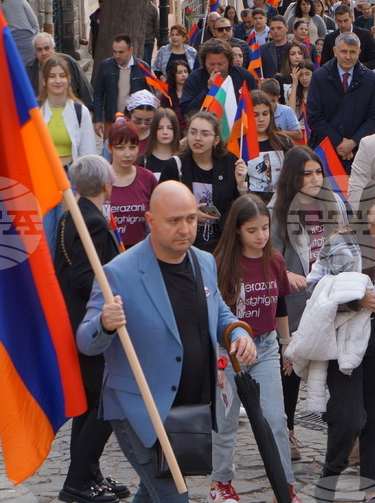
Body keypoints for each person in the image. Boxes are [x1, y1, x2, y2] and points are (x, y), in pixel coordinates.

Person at [76, 181, 257, 503]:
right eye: (174, 221)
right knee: (174, 496)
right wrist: (104, 324)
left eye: (191, 219)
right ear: (150, 220)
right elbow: (86, 342)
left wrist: (237, 332)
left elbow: (218, 310)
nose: (185, 229)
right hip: (140, 409)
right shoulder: (118, 272)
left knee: (151, 492)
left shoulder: (204, 261)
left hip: (189, 406)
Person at [305, 179, 375, 502]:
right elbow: (315, 287)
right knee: (349, 417)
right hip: (346, 338)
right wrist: (358, 299)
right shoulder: (341, 241)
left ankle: (373, 489)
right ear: (365, 206)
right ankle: (330, 475)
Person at [210, 195, 303, 503]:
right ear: (237, 230)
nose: (261, 235)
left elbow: (279, 305)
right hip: (228, 351)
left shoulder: (274, 260)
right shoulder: (221, 264)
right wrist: (216, 358)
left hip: (265, 347)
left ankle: (284, 487)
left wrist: (286, 344)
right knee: (225, 422)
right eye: (252, 230)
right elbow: (212, 314)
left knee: (276, 419)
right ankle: (221, 483)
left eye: (265, 228)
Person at [53, 155, 129, 503]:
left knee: (90, 403)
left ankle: (89, 474)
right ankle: (76, 482)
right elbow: (86, 278)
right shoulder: (92, 222)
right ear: (107, 186)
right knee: (108, 401)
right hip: (88, 325)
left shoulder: (72, 215)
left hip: (72, 321)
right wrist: (114, 296)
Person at [270, 146, 348, 462]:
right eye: (307, 174)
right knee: (290, 370)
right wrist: (288, 275)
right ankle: (287, 430)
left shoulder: (333, 204)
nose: (315, 179)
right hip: (295, 304)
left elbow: (346, 245)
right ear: (293, 177)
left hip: (330, 299)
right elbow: (268, 258)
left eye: (318, 172)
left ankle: (347, 435)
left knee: (337, 369)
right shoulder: (277, 211)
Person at [160, 112, 248, 252]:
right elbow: (162, 204)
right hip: (185, 238)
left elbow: (241, 207)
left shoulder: (230, 163)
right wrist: (190, 214)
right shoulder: (175, 165)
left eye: (205, 134)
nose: (197, 138)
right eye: (193, 132)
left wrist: (241, 185)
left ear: (216, 139)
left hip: (222, 241)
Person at [38, 56, 97, 248]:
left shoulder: (80, 112)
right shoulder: (35, 111)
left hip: (71, 181)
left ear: (69, 79)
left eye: (62, 75)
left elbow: (88, 156)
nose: (57, 80)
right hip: (44, 181)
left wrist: (84, 191)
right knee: (46, 240)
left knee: (66, 239)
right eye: (52, 76)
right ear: (44, 80)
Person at [307, 32, 375, 172]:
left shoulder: (369, 78)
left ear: (359, 53)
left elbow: (374, 117)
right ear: (335, 51)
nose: (348, 56)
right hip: (326, 152)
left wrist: (353, 142)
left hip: (360, 153)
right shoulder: (320, 77)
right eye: (344, 51)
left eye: (352, 52)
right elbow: (314, 117)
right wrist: (339, 143)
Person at [105, 119, 158, 248]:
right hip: (106, 251)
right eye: (120, 148)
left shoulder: (148, 178)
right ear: (110, 148)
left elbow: (161, 212)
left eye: (132, 147)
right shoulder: (99, 178)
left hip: (139, 251)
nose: (127, 154)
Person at [92, 35, 152, 138]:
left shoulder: (142, 67)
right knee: (110, 147)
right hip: (111, 119)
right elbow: (98, 94)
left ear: (130, 50)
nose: (117, 55)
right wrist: (97, 119)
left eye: (121, 52)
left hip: (134, 121)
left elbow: (149, 94)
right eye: (114, 51)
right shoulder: (105, 66)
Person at [179, 40, 258, 116]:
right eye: (212, 64)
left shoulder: (244, 76)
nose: (216, 69)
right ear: (204, 62)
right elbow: (186, 112)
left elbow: (257, 103)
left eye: (220, 64)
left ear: (229, 61)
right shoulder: (194, 79)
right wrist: (209, 90)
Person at [246, 90, 294, 204]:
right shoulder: (241, 144)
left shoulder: (284, 141)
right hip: (252, 204)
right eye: (255, 115)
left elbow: (293, 174)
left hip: (281, 203)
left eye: (265, 113)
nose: (261, 119)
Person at [26, 32, 94, 111]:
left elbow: (85, 89)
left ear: (53, 49)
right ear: (35, 52)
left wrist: (90, 111)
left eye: (47, 48)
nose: (43, 53)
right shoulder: (29, 69)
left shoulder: (68, 62)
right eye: (39, 50)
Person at [0, 0, 40, 65]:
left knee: (18, 65)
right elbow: (32, 18)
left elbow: (1, 27)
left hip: (13, 39)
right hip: (27, 37)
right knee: (31, 64)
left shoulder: (0, 7)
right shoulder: (21, 1)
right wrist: (36, 32)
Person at [142, 108, 182, 178]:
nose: (165, 132)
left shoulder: (183, 160)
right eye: (160, 128)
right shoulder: (143, 161)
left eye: (170, 128)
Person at [165, 59, 191, 127]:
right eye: (179, 72)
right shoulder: (166, 95)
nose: (184, 75)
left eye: (186, 71)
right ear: (173, 75)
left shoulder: (194, 92)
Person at [144, 0, 160, 64]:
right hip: (136, 40)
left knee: (146, 61)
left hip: (148, 41)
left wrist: (159, 40)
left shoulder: (153, 8)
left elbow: (156, 26)